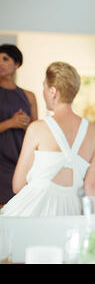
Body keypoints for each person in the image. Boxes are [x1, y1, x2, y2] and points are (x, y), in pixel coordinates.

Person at [1, 62, 95, 216]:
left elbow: (18, 185)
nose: (43, 92)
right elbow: (93, 186)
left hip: (34, 213)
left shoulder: (37, 128)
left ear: (53, 91)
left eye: (44, 87)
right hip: (70, 212)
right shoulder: (94, 133)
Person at [0, 44, 38, 205]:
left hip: (22, 162)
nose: (0, 63)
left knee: (19, 209)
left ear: (16, 65)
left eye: (5, 59)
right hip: (1, 163)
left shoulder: (28, 96)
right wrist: (11, 122)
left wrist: (26, 124)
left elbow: (37, 131)